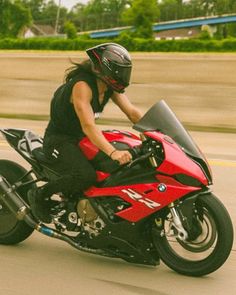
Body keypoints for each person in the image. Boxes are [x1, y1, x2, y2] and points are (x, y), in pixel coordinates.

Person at [28, 43, 142, 223]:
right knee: (85, 176)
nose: (122, 76)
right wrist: (113, 152)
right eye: (119, 71)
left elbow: (132, 112)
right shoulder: (82, 85)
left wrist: (156, 132)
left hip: (82, 138)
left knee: (121, 167)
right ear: (104, 69)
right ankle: (40, 194)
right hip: (60, 140)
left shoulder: (109, 86)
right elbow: (88, 126)